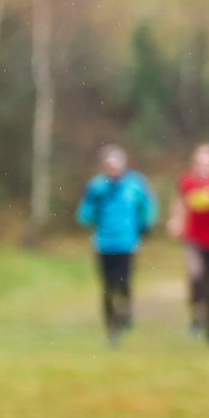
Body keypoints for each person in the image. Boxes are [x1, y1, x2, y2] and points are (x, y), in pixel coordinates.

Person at [75, 145, 159, 341]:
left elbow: (148, 206)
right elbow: (84, 216)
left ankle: (126, 313)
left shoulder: (135, 184)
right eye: (110, 165)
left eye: (117, 164)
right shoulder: (96, 187)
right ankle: (111, 326)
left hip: (127, 243)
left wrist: (145, 226)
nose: (114, 168)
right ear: (105, 166)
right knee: (107, 286)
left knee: (124, 283)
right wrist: (91, 205)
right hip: (104, 243)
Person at [168, 143, 209, 342]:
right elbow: (180, 202)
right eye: (200, 163)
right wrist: (175, 221)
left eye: (208, 164)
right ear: (194, 164)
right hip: (194, 238)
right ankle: (196, 315)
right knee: (196, 276)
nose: (204, 168)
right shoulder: (187, 181)